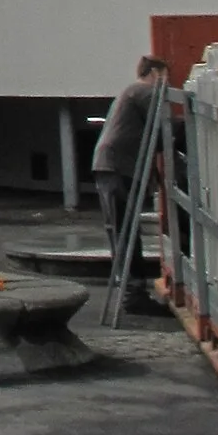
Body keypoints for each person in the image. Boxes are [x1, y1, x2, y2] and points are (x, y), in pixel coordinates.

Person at [90, 54, 167, 281]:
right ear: (154, 73)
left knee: (120, 229)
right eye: (164, 78)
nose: (166, 85)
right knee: (126, 230)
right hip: (118, 166)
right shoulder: (144, 91)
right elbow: (162, 130)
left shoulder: (130, 92)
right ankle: (132, 291)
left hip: (109, 165)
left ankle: (130, 287)